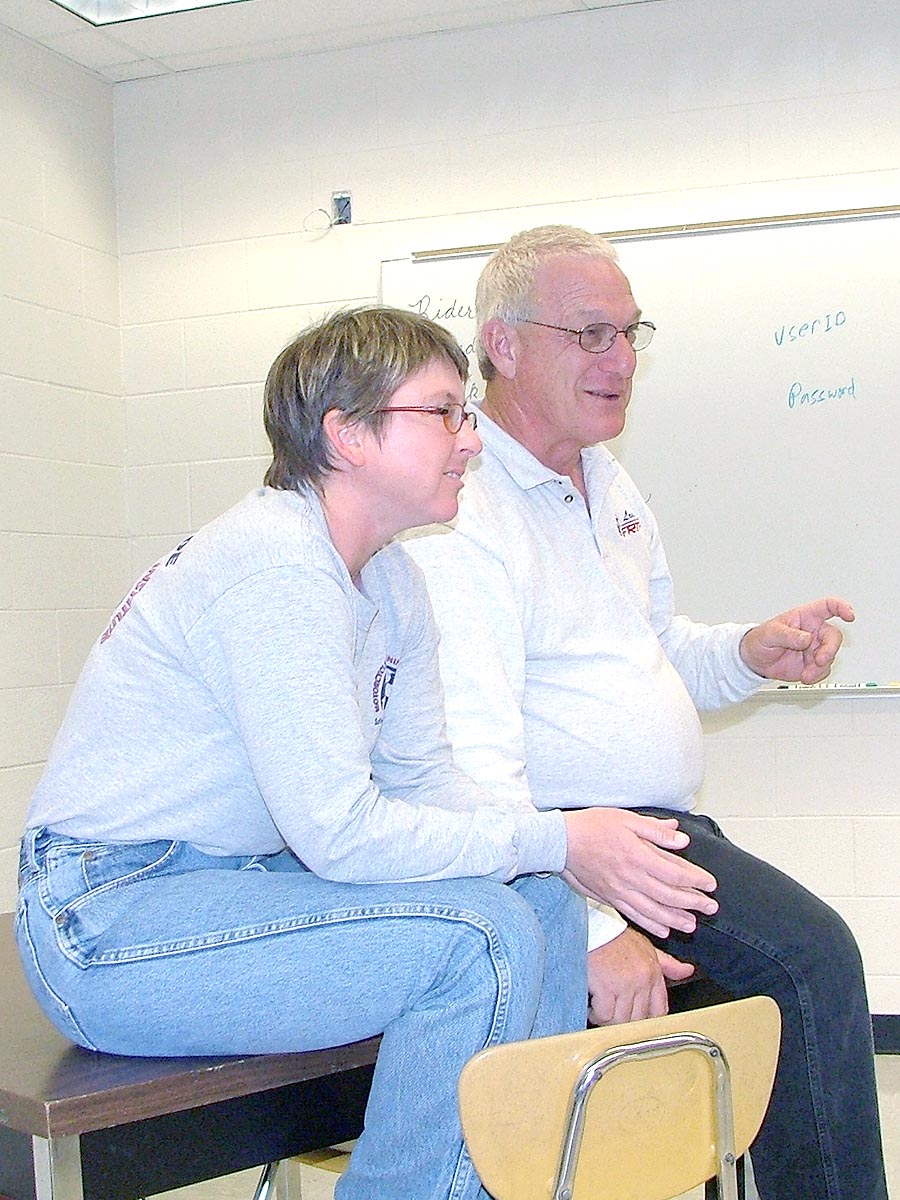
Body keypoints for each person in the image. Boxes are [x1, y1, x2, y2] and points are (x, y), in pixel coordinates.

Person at [16, 305, 725, 1200]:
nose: (471, 440)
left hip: (237, 881)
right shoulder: (274, 567)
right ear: (346, 435)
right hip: (109, 918)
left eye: (466, 414)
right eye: (444, 413)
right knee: (481, 939)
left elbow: (425, 781)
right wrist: (560, 837)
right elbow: (341, 834)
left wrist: (564, 860)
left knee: (540, 904)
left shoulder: (392, 578)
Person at [403, 228, 887, 1200]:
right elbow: (469, 765)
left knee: (766, 1004)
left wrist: (747, 652)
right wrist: (586, 929)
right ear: (503, 345)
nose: (620, 359)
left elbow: (654, 649)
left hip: (662, 834)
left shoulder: (608, 481)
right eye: (591, 334)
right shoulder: (465, 508)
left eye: (630, 333)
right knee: (811, 964)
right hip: (578, 849)